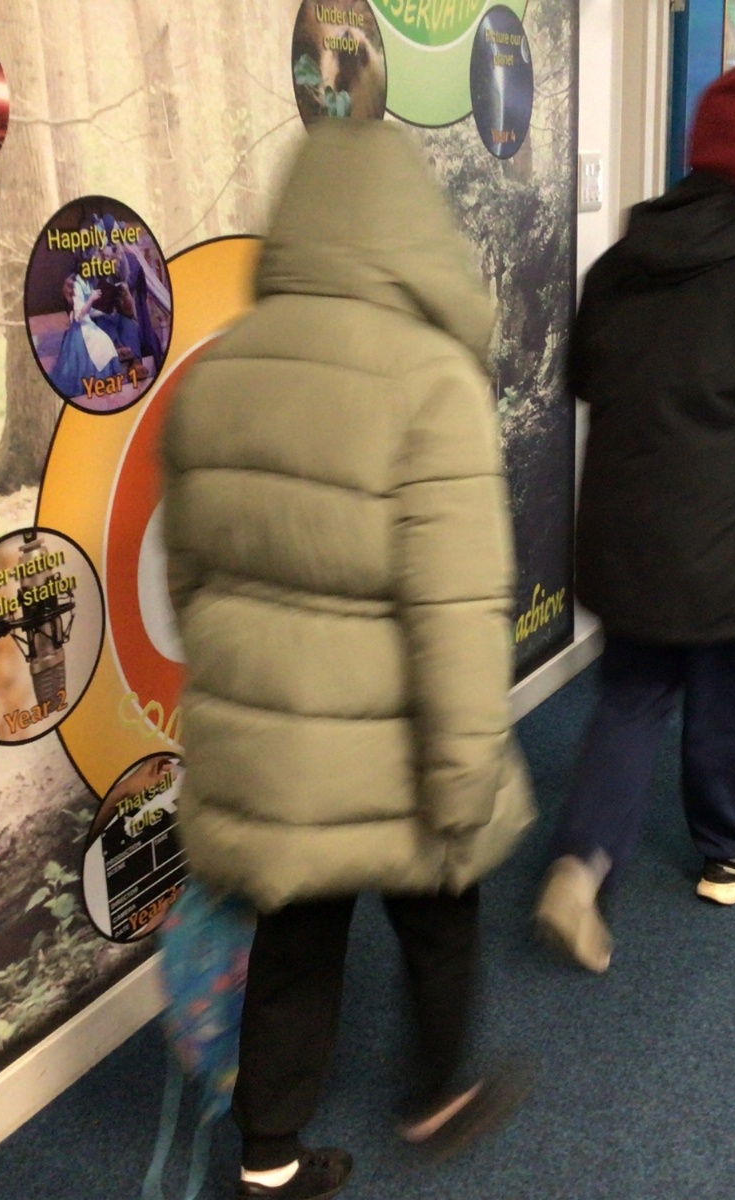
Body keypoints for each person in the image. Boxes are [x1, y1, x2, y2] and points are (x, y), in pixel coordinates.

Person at [161, 120, 534, 1200]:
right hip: (399, 745)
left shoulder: (219, 372)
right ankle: (438, 1095)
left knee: (295, 939)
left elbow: (192, 580)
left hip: (275, 746)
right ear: (410, 229)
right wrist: (464, 774)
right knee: (441, 914)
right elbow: (456, 611)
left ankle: (268, 1158)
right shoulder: (432, 381)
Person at [533, 67, 735, 974]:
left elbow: (583, 379)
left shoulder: (620, 264)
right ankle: (732, 851)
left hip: (622, 527)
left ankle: (581, 861)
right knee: (723, 698)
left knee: (633, 697)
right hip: (731, 538)